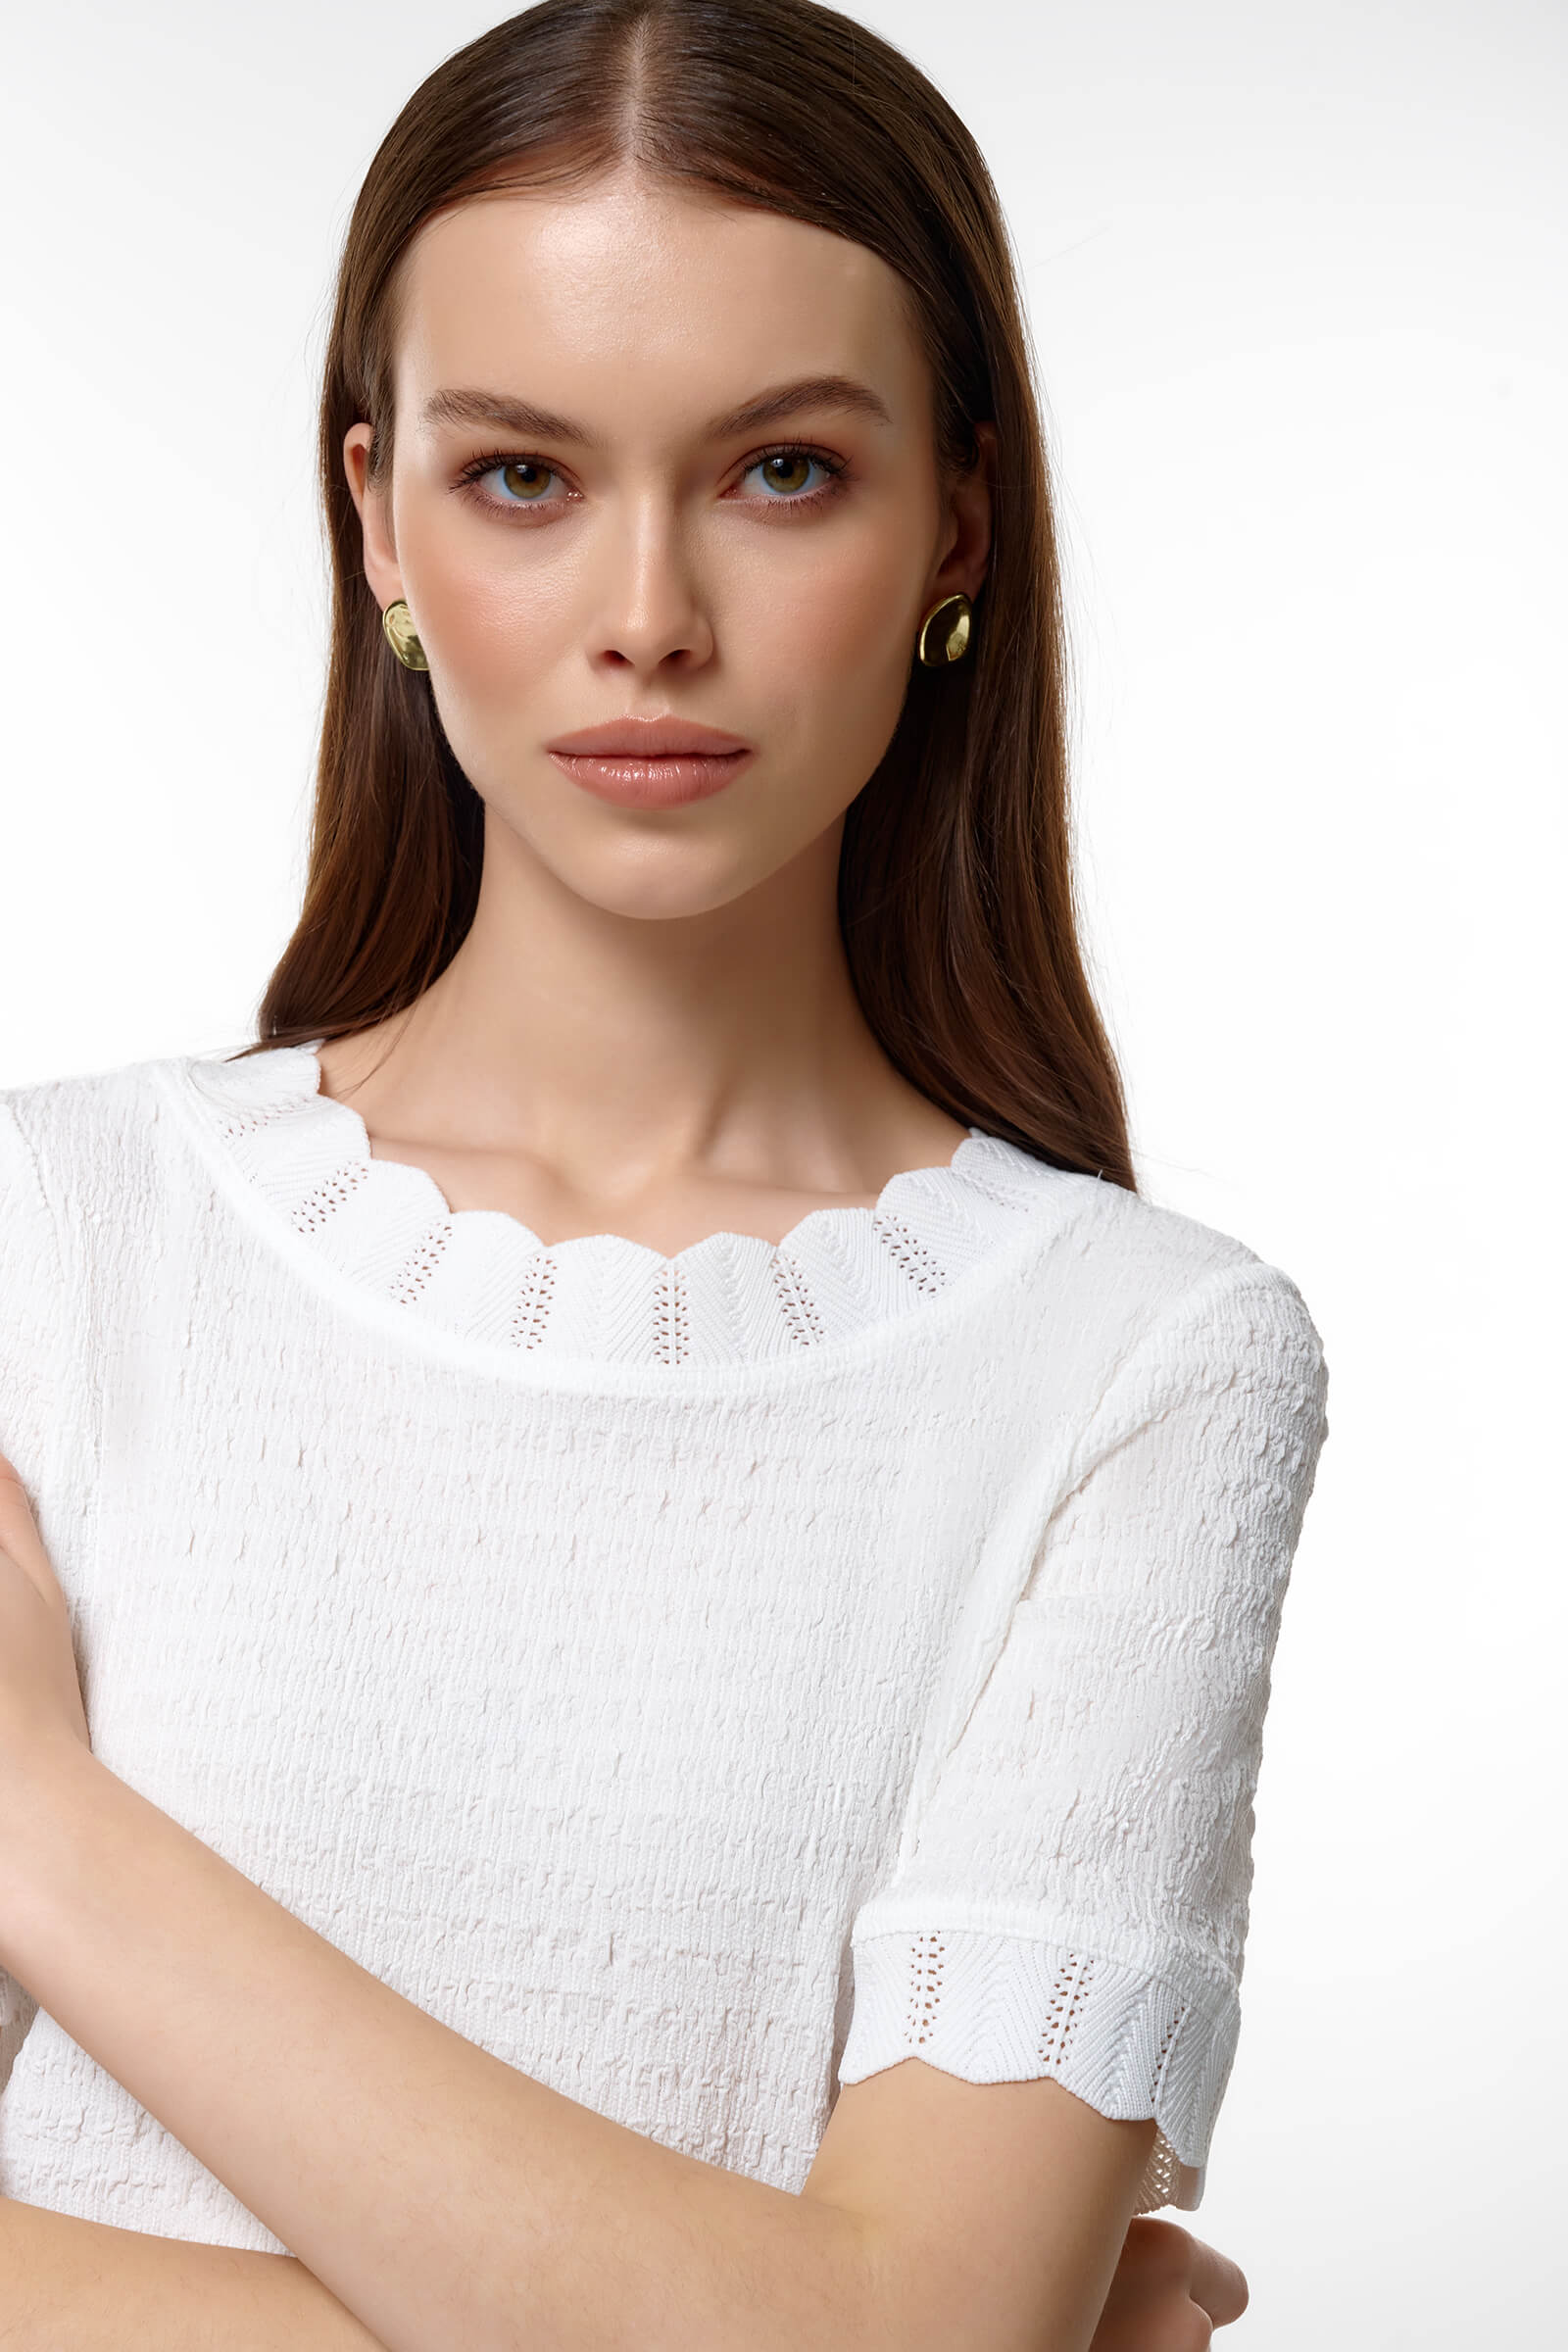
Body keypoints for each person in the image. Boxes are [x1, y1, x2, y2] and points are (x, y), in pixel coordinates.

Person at [0, 1, 1327, 2343]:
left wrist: (42, 1828)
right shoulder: (48, 1241)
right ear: (377, 517)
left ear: (955, 523)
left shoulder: (1143, 1367)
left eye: (779, 472)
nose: (646, 616)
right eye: (522, 474)